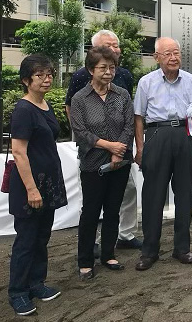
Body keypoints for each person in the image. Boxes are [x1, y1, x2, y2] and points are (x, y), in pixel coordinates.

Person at [133, 37, 192, 271]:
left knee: (185, 193)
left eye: (176, 53)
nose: (173, 57)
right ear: (157, 57)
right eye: (167, 53)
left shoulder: (191, 81)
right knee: (153, 195)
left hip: (186, 137)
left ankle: (182, 248)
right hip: (157, 136)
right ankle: (149, 250)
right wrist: (140, 147)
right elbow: (139, 117)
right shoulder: (146, 82)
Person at [65, 30, 141, 252]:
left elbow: (130, 117)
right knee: (92, 199)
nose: (114, 50)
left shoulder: (125, 75)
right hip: (93, 150)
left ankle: (125, 235)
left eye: (116, 46)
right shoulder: (81, 77)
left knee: (127, 192)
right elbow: (72, 108)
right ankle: (93, 244)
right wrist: (89, 139)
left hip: (122, 147)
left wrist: (121, 148)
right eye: (108, 46)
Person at [7, 54, 68, 316]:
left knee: (42, 237)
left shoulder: (45, 105)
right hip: (29, 186)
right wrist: (31, 189)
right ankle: (18, 292)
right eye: (40, 74)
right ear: (26, 80)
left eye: (50, 73)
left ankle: (36, 283)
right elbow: (19, 152)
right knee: (26, 240)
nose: (47, 78)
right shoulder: (23, 110)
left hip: (49, 183)